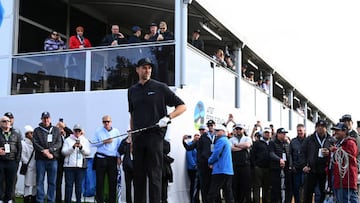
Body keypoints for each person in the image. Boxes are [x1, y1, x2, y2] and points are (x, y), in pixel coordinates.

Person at [128, 57, 186, 203]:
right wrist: (132, 137)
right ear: (137, 69)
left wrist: (168, 117)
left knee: (155, 177)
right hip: (138, 138)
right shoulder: (131, 91)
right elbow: (132, 115)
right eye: (144, 67)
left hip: (155, 138)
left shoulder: (160, 87)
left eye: (149, 68)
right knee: (138, 177)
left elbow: (182, 106)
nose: (147, 70)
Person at [32, 111, 62, 203]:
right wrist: (43, 151)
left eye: (47, 118)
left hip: (52, 159)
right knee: (40, 181)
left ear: (50, 118)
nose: (46, 120)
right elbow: (35, 143)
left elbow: (59, 143)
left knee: (52, 182)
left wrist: (50, 151)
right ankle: (40, 200)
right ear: (41, 119)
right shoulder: (37, 130)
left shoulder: (56, 130)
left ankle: (50, 200)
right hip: (40, 160)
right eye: (44, 118)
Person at [91, 115, 122, 203]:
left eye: (108, 121)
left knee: (112, 181)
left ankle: (112, 201)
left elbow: (119, 145)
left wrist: (119, 157)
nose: (106, 123)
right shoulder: (98, 131)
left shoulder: (116, 131)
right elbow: (93, 143)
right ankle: (99, 201)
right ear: (102, 123)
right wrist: (104, 141)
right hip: (101, 158)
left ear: (111, 122)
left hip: (112, 159)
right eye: (104, 122)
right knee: (100, 181)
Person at [301, 120, 333, 203]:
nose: (320, 128)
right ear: (315, 128)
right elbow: (302, 153)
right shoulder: (309, 139)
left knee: (323, 192)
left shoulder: (330, 139)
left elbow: (335, 153)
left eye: (322, 127)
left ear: (326, 128)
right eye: (318, 126)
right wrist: (304, 165)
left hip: (324, 171)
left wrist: (329, 153)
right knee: (308, 193)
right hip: (311, 169)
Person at [61, 124, 90, 203]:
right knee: (69, 186)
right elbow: (63, 152)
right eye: (76, 130)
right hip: (69, 166)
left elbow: (88, 152)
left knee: (79, 186)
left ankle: (78, 201)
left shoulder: (84, 140)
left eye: (79, 131)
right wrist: (72, 147)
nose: (77, 132)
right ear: (73, 131)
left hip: (80, 167)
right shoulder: (68, 140)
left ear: (81, 132)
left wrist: (81, 148)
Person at [330, 122, 359, 203]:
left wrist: (335, 150)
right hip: (340, 180)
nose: (335, 132)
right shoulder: (340, 143)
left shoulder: (350, 143)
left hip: (346, 181)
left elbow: (350, 155)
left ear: (345, 131)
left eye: (337, 130)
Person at [206, 124, 235, 203]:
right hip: (228, 170)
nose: (215, 132)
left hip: (220, 170)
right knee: (228, 193)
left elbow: (216, 154)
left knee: (212, 193)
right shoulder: (227, 141)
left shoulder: (221, 140)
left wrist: (209, 161)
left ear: (223, 132)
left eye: (217, 130)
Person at [0, 116, 22, 203]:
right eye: (4, 121)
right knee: (1, 182)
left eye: (8, 121)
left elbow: (19, 148)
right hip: (1, 161)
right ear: (0, 123)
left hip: (12, 162)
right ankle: (1, 199)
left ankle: (9, 199)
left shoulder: (16, 134)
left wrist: (17, 162)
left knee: (11, 182)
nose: (7, 123)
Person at [229, 123, 252, 203]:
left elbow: (247, 145)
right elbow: (231, 148)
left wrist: (236, 145)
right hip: (234, 165)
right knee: (235, 185)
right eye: (237, 129)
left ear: (243, 130)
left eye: (240, 129)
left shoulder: (247, 138)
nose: (238, 130)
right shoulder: (231, 139)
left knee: (246, 186)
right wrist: (241, 147)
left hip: (245, 165)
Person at [269, 128, 292, 203]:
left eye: (285, 133)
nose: (284, 135)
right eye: (283, 133)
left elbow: (289, 154)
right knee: (275, 189)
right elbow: (271, 153)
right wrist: (279, 159)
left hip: (286, 169)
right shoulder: (272, 143)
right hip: (276, 169)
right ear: (278, 134)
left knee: (286, 188)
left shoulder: (286, 143)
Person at [250, 127, 271, 203]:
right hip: (258, 168)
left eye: (268, 132)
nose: (267, 134)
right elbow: (252, 155)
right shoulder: (257, 143)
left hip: (268, 168)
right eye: (266, 132)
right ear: (262, 133)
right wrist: (255, 165)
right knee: (257, 187)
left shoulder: (271, 143)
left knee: (267, 187)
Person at [55, 120, 72, 203]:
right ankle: (58, 200)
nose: (61, 129)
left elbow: (72, 133)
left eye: (62, 127)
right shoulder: (55, 136)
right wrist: (57, 129)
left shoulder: (69, 137)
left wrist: (64, 127)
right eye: (59, 128)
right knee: (58, 183)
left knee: (68, 183)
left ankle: (67, 200)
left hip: (68, 163)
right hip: (58, 162)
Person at [182, 131, 202, 203]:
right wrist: (194, 165)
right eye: (195, 135)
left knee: (199, 186)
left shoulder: (200, 145)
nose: (197, 136)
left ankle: (197, 199)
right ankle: (192, 200)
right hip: (192, 169)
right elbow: (189, 157)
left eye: (198, 135)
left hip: (199, 168)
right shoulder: (190, 144)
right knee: (193, 185)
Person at [289, 124, 306, 203]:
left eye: (301, 131)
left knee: (305, 188)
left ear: (304, 131)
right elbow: (290, 154)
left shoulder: (308, 141)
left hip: (305, 169)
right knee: (296, 188)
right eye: (298, 130)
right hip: (296, 169)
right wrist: (292, 165)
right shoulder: (293, 141)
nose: (299, 132)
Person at [21, 125, 36, 203]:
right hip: (28, 167)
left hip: (36, 166)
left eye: (33, 133)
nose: (32, 134)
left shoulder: (35, 143)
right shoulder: (23, 143)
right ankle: (26, 200)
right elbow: (22, 156)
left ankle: (33, 199)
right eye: (30, 133)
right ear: (26, 134)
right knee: (27, 184)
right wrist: (29, 165)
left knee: (35, 184)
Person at [118, 134, 134, 203]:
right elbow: (120, 151)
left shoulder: (138, 139)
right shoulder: (124, 140)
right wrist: (125, 143)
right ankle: (128, 201)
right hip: (127, 166)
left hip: (137, 166)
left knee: (138, 186)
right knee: (128, 186)